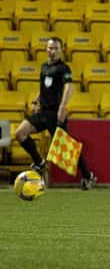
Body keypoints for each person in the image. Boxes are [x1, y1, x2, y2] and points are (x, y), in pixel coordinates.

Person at [15, 37, 97, 190]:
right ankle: (39, 163)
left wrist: (62, 108)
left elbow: (68, 88)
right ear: (46, 49)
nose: (52, 51)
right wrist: (35, 101)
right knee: (20, 133)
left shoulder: (64, 69)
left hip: (54, 114)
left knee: (67, 150)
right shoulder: (44, 67)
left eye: (55, 48)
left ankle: (88, 176)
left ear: (61, 50)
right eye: (50, 48)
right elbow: (43, 87)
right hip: (42, 112)